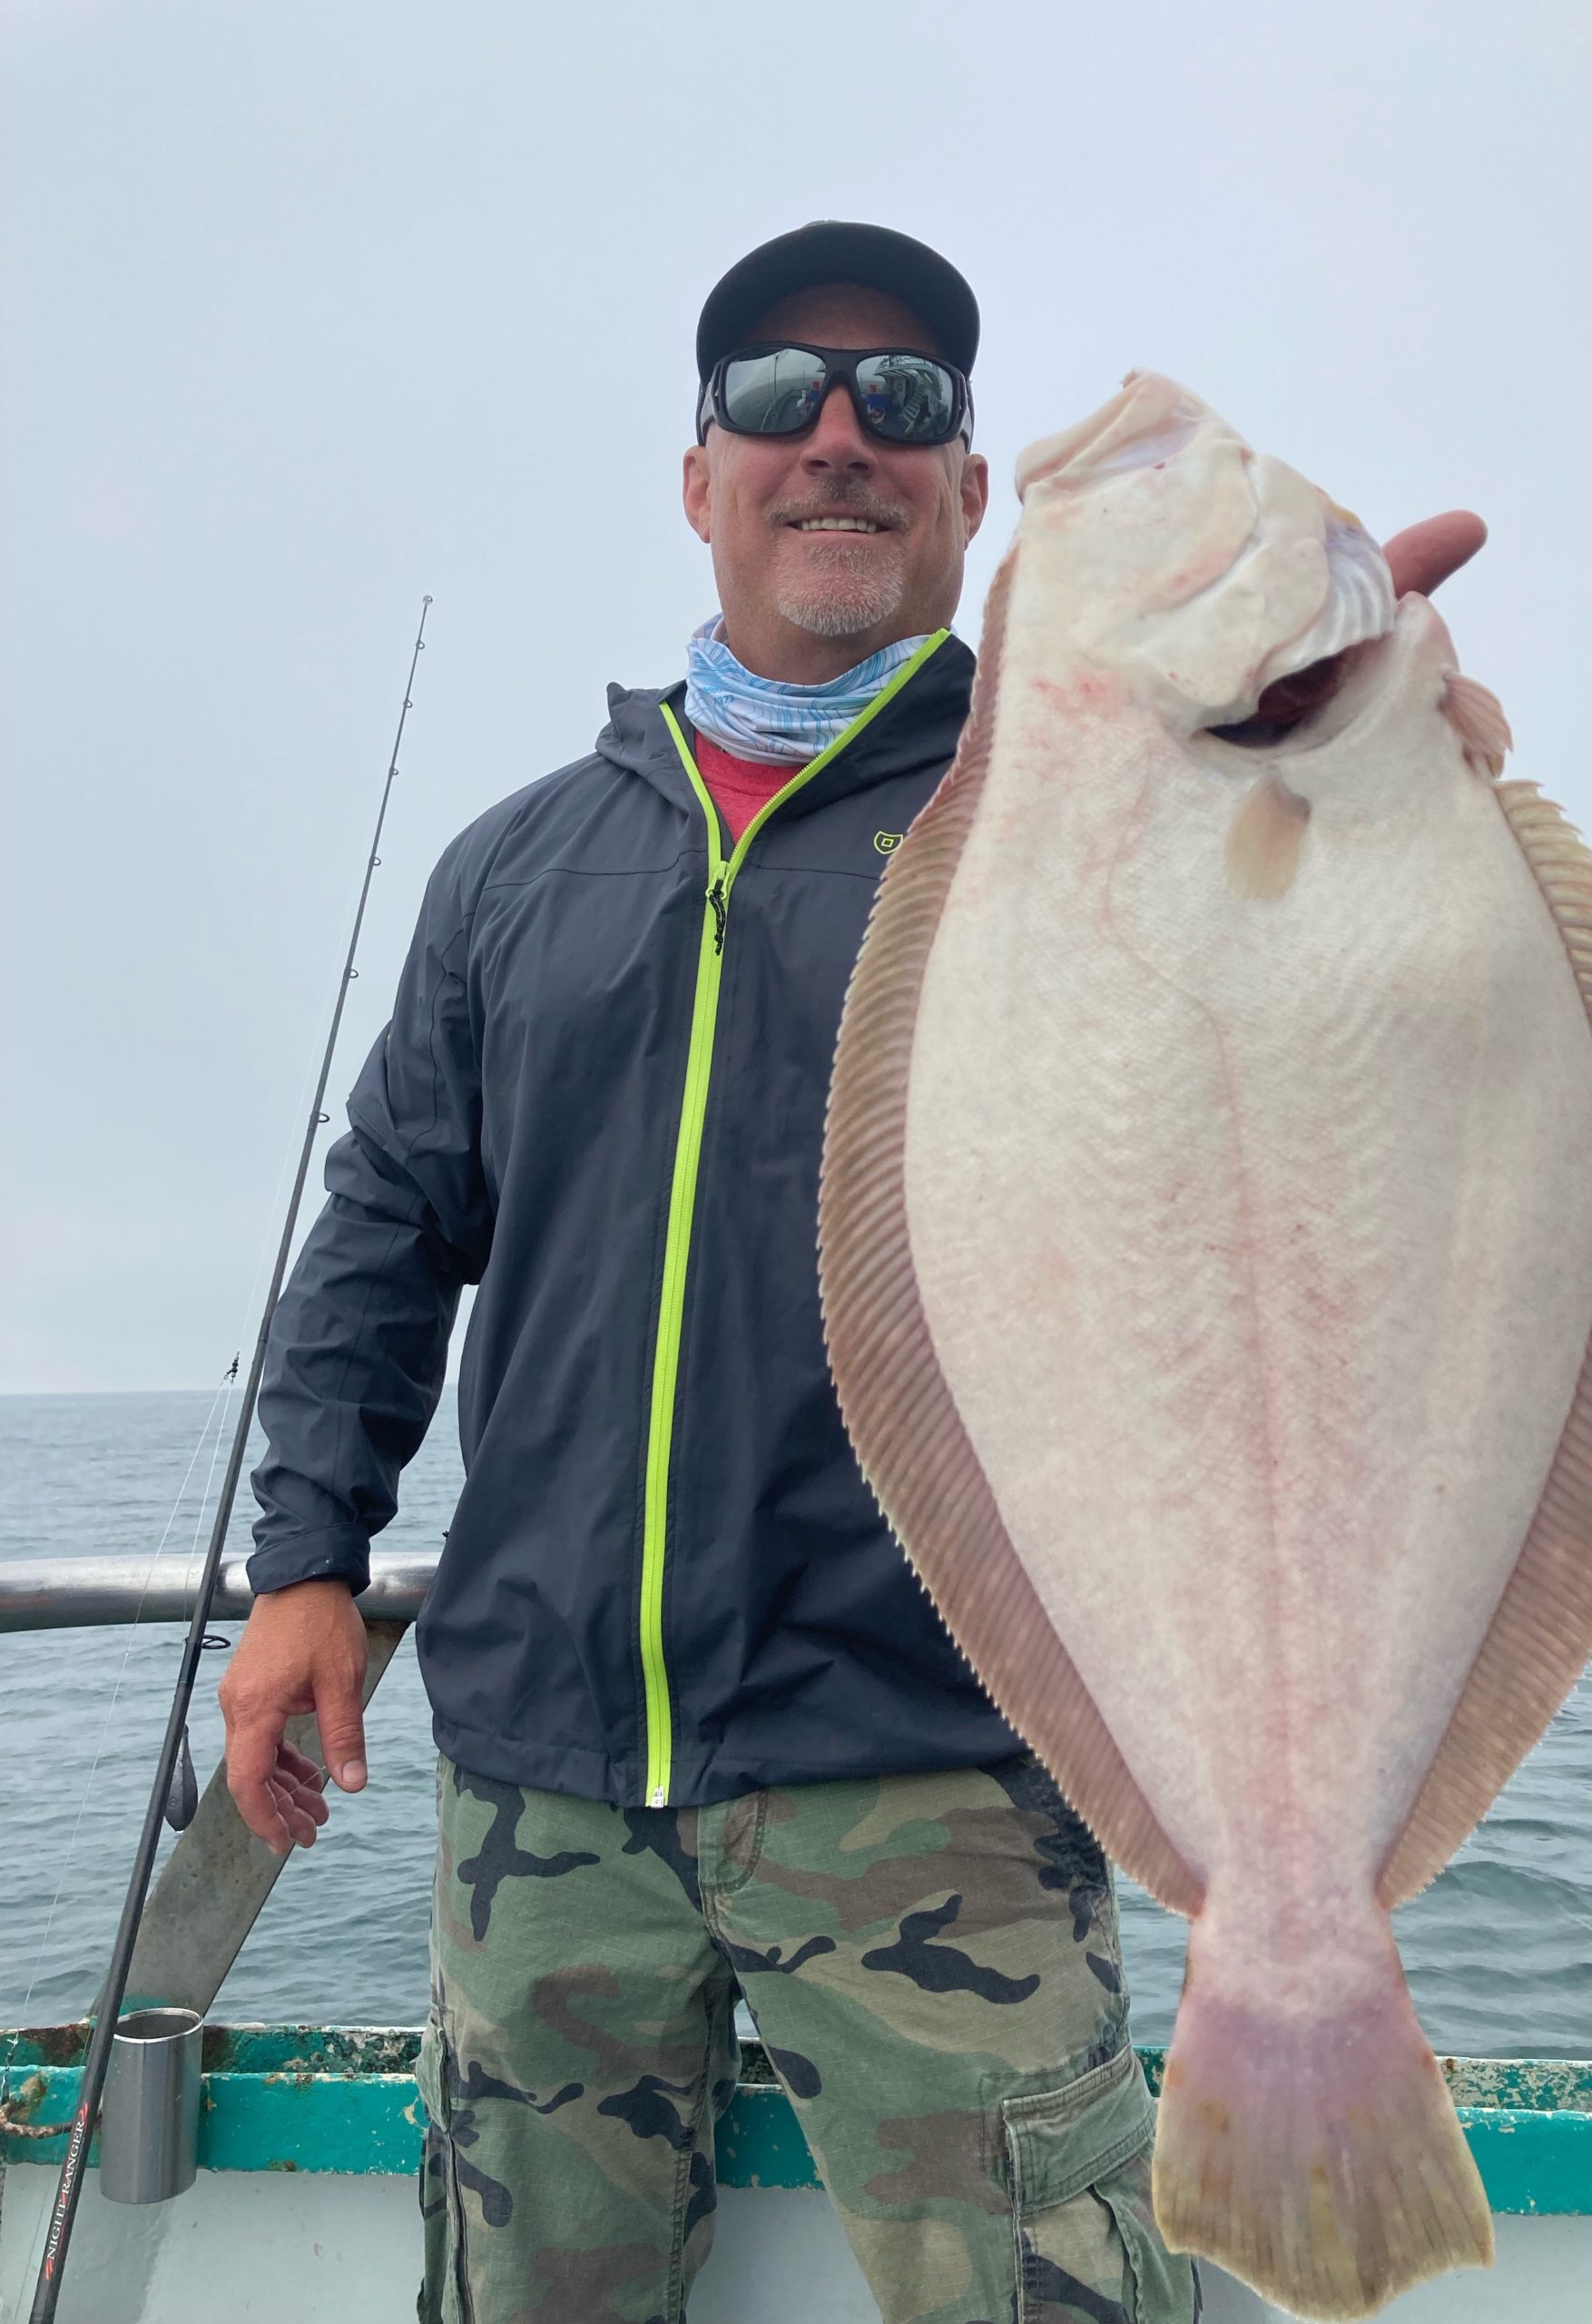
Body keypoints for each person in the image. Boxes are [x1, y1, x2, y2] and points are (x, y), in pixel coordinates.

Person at [217, 221, 1485, 2324]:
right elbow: (383, 1225)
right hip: (542, 1778)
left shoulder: (1090, 802)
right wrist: (300, 1559)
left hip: (934, 1764)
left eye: (903, 402)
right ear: (697, 472)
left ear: (971, 494)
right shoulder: (520, 863)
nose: (839, 436)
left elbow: (1343, 1046)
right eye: (777, 394)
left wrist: (1363, 762)